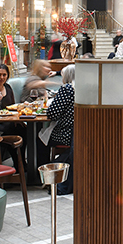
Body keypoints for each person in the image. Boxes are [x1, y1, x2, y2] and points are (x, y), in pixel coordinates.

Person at [46, 65, 76, 195]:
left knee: (40, 140)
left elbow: (52, 114)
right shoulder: (83, 87)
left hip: (65, 134)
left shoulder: (68, 89)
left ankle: (41, 173)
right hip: (77, 133)